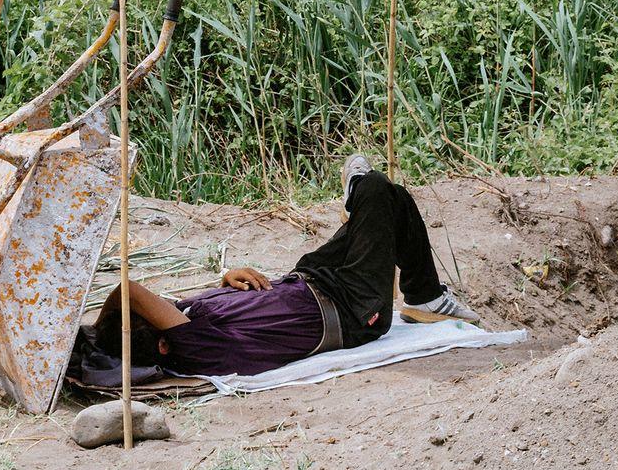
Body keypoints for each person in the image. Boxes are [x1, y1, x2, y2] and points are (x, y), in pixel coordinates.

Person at [94, 157, 480, 378]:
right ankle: (360, 193)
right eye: (154, 315)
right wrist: (100, 328)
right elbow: (127, 290)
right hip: (352, 310)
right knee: (378, 188)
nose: (163, 305)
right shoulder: (193, 348)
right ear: (162, 341)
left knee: (393, 198)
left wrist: (225, 280)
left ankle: (425, 297)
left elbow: (174, 307)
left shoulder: (185, 323)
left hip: (313, 277)